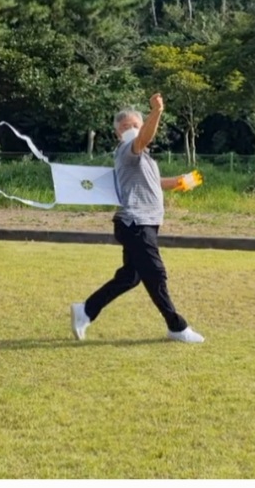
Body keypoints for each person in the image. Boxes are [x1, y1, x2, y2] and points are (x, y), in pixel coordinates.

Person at [71, 92, 205, 344]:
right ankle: (176, 326)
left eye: (134, 124)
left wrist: (179, 182)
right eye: (125, 127)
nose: (130, 129)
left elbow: (154, 182)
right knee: (156, 273)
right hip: (135, 222)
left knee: (130, 277)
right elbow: (143, 138)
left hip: (144, 223)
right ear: (117, 134)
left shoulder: (144, 158)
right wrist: (157, 111)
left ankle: (86, 309)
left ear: (141, 125)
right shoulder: (127, 150)